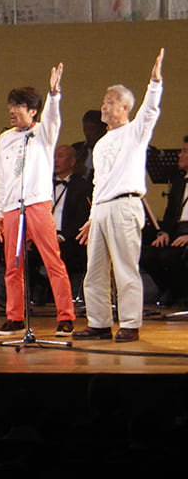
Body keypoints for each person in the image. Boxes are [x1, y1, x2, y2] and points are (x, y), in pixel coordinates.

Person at [74, 49, 164, 343]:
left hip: (125, 205)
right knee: (94, 271)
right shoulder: (101, 143)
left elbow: (149, 111)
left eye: (110, 101)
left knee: (125, 268)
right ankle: (99, 323)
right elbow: (99, 182)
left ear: (125, 107)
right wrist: (91, 217)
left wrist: (154, 83)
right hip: (101, 209)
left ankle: (129, 323)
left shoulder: (136, 131)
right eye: (104, 101)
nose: (104, 105)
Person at [0, 65, 75, 337]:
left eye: (18, 107)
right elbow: (1, 180)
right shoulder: (3, 140)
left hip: (37, 204)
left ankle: (65, 316)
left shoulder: (44, 134)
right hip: (12, 208)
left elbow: (53, 116)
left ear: (32, 110)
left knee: (53, 261)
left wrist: (54, 92)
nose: (12, 112)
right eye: (11, 107)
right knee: (13, 267)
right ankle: (14, 317)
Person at [31, 144, 90, 302]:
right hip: (43, 234)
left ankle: (54, 294)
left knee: (64, 254)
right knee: (25, 254)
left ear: (72, 161)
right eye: (54, 156)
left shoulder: (82, 186)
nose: (56, 160)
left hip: (67, 238)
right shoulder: (43, 183)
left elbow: (81, 218)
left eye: (61, 156)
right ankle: (39, 288)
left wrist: (62, 236)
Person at [141, 136, 188, 307]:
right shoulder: (178, 182)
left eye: (184, 152)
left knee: (171, 257)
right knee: (147, 254)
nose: (179, 155)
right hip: (177, 230)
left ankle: (182, 294)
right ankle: (170, 290)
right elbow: (170, 214)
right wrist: (164, 232)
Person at [73, 110, 106, 179]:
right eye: (85, 129)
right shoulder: (77, 148)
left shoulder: (110, 150)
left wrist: (86, 171)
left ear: (103, 130)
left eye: (92, 129)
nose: (87, 133)